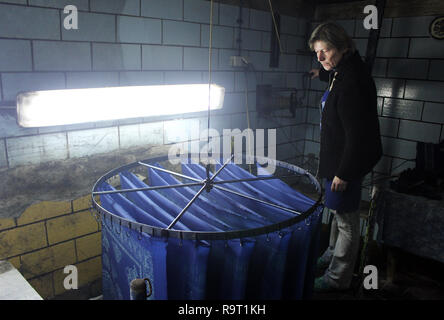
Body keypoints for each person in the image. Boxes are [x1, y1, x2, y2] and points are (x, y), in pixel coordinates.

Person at [308, 22, 382, 292]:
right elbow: (338, 81)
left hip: (346, 163)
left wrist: (344, 173)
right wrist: (322, 73)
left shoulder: (353, 82)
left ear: (343, 47)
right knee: (337, 212)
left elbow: (358, 135)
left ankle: (337, 278)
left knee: (347, 221)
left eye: (325, 51)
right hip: (337, 159)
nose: (321, 57)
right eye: (317, 53)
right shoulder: (344, 70)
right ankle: (331, 255)